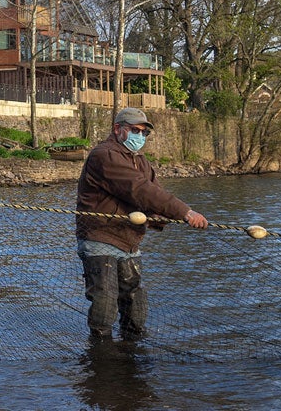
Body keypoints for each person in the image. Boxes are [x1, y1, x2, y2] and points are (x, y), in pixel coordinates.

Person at [75, 107, 209, 342]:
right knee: (105, 298)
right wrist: (185, 212)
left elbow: (154, 195)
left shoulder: (142, 162)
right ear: (118, 129)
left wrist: (164, 217)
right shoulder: (104, 155)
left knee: (134, 298)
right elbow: (138, 190)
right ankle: (101, 350)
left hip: (129, 239)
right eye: (135, 131)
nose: (141, 137)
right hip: (100, 236)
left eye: (144, 133)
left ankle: (133, 344)